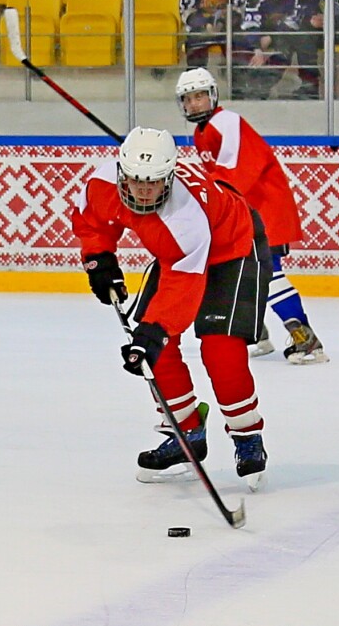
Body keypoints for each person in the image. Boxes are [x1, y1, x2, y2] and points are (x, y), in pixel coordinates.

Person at [71, 126, 271, 491]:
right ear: (121, 174)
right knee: (151, 352)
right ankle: (186, 433)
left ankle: (246, 435)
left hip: (234, 248)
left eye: (154, 183)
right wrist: (99, 258)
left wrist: (156, 330)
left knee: (219, 349)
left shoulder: (184, 215)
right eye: (135, 182)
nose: (144, 191)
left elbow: (184, 284)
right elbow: (92, 221)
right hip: (177, 256)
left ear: (170, 177)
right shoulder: (101, 184)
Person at [177, 67, 329, 364]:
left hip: (265, 210)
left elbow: (236, 174)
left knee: (269, 275)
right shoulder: (201, 132)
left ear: (213, 96)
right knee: (234, 273)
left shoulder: (226, 121)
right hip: (245, 212)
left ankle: (307, 341)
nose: (195, 103)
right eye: (188, 98)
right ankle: (255, 333)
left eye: (200, 96)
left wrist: (201, 197)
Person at [233, 0, 321, 100]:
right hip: (263, 37)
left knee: (303, 38)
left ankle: (311, 87)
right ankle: (253, 88)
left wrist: (272, 35)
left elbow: (297, 22)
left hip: (288, 36)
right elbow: (250, 25)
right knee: (242, 44)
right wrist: (257, 48)